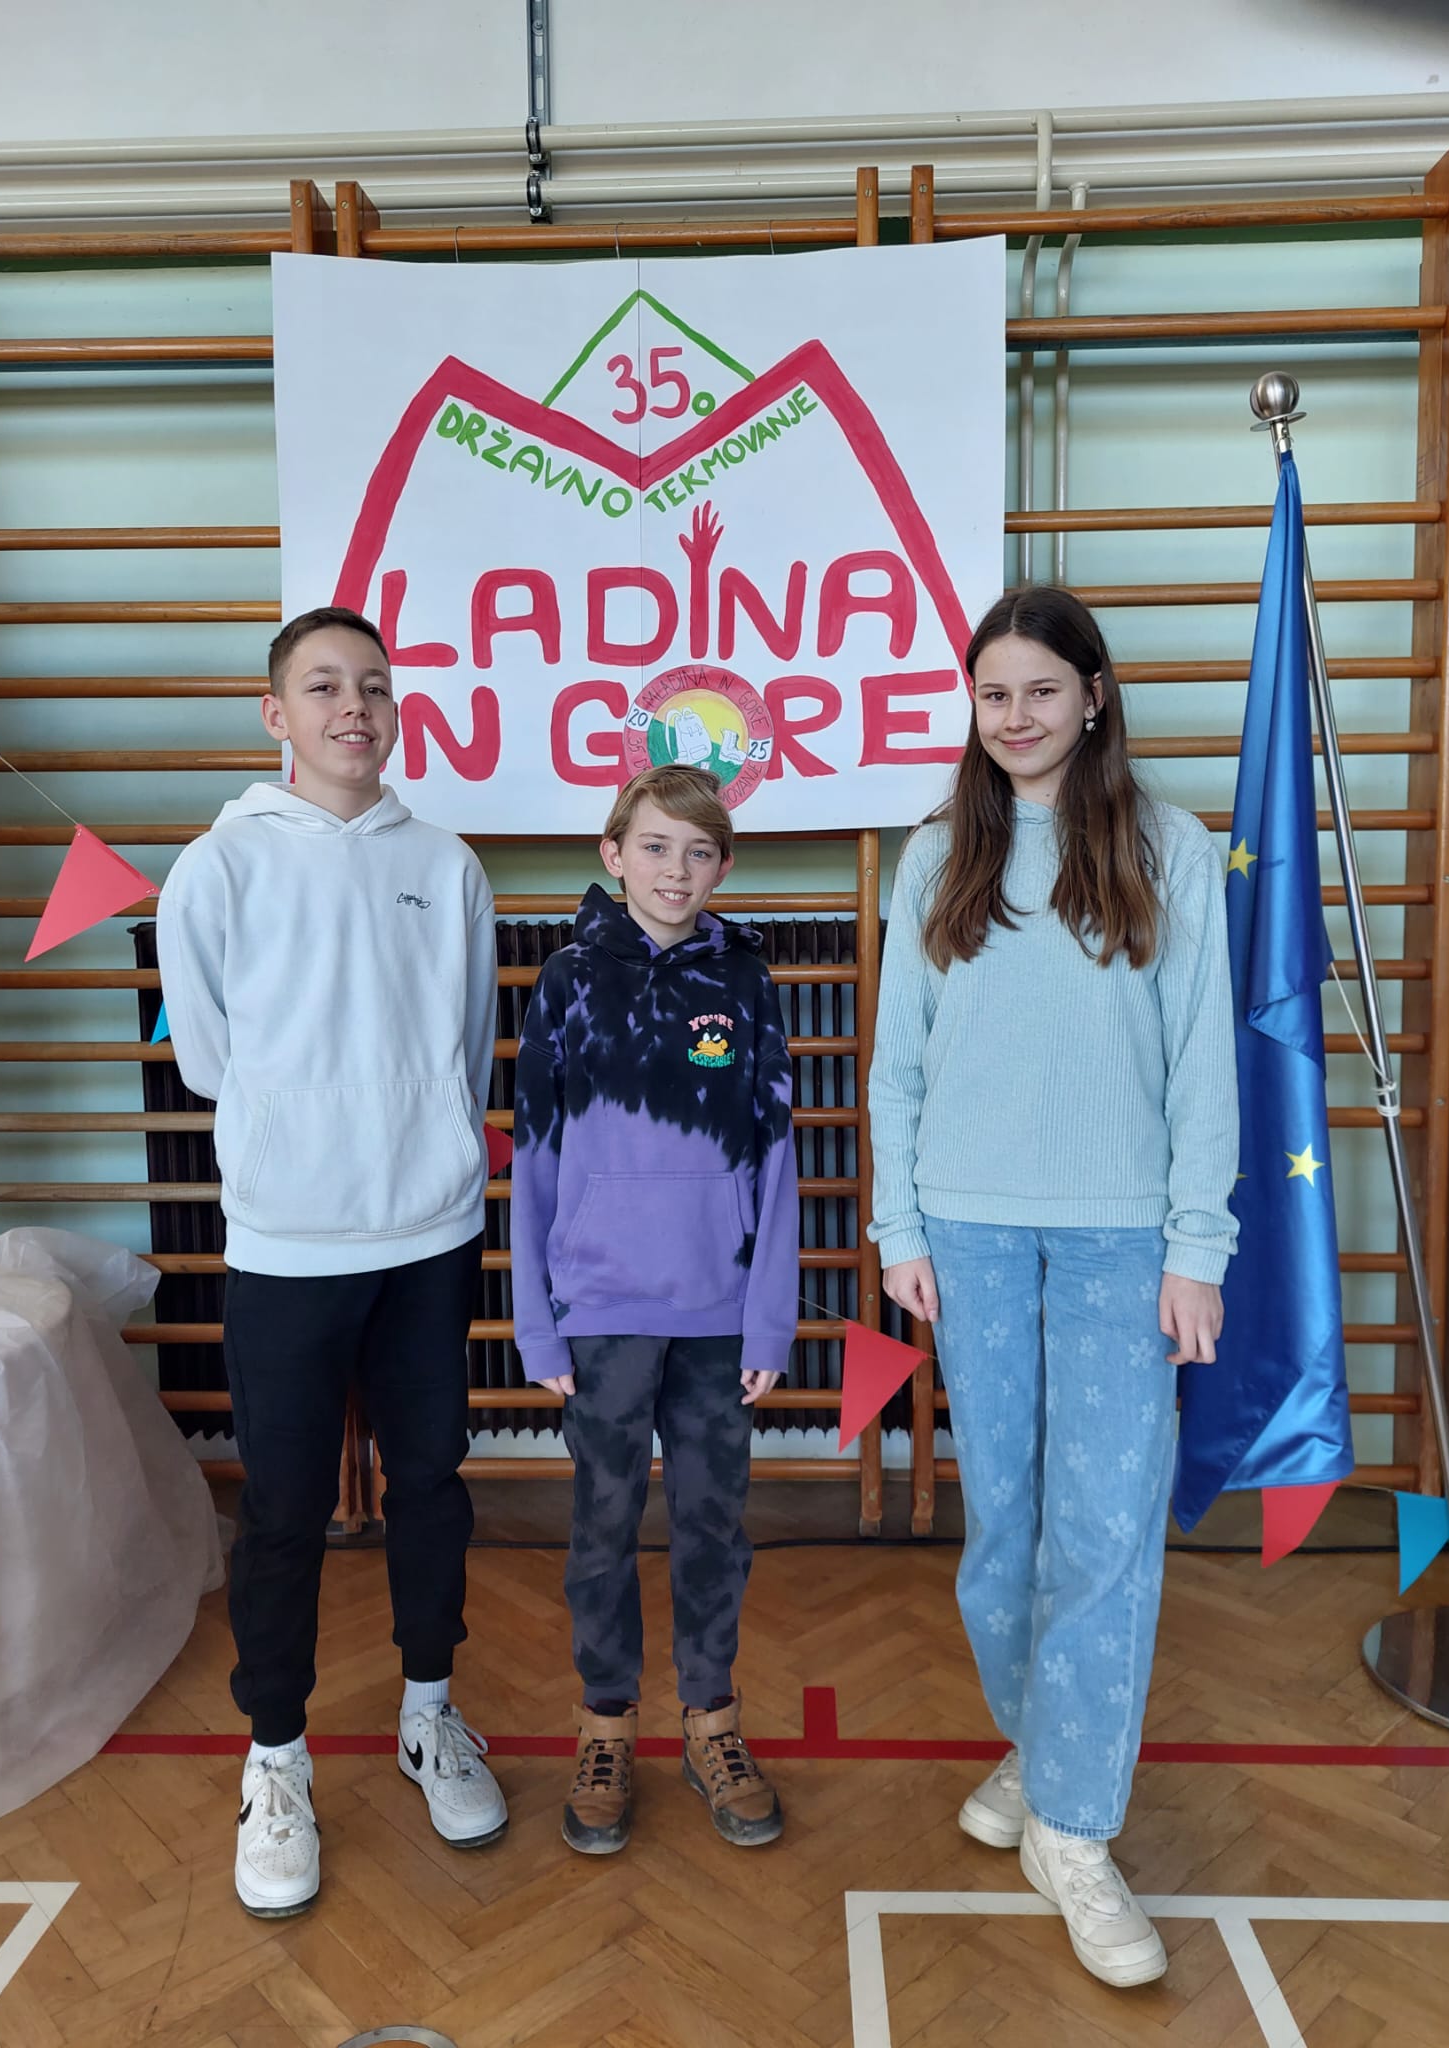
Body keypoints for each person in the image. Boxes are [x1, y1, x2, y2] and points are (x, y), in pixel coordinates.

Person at [868, 587, 1238, 1989]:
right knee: (1007, 1532)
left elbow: (1203, 1061)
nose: (1014, 716)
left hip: (1121, 1243)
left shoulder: (1168, 848)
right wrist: (899, 1225)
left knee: (1104, 1532)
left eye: (1039, 689)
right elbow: (897, 1064)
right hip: (965, 1235)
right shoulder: (935, 855)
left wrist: (1196, 1246)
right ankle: (1043, 1740)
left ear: (1094, 694)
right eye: (992, 694)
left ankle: (1075, 1827)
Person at [158, 605, 507, 1919]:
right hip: (288, 1244)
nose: (352, 705)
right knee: (286, 1511)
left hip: (428, 1234)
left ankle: (430, 1712)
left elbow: (465, 1043)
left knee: (431, 1483)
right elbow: (208, 1059)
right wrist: (307, 1135)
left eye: (372, 683)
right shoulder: (218, 869)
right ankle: (277, 1758)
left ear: (395, 708)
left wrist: (420, 1141)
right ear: (277, 714)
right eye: (322, 686)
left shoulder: (446, 864)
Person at [512, 764, 798, 1856]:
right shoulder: (566, 981)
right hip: (600, 1310)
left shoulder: (747, 981)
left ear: (722, 865)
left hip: (721, 1312)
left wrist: (769, 1319)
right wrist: (537, 1321)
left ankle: (712, 1720)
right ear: (613, 853)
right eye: (655, 846)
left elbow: (778, 1158)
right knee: (603, 1526)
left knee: (714, 1527)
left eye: (699, 851)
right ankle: (606, 1725)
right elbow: (534, 1161)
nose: (676, 870)